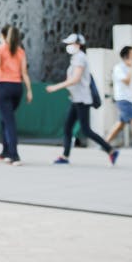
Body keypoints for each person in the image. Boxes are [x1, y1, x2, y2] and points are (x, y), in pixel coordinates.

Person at [47, 33, 119, 166]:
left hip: (81, 99)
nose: (68, 46)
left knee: (86, 130)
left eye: (70, 44)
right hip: (76, 99)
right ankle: (65, 156)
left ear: (78, 44)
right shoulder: (76, 58)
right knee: (68, 127)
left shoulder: (80, 58)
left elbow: (76, 79)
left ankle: (110, 150)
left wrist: (56, 87)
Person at [0, 25, 34, 165]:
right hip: (17, 88)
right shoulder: (21, 51)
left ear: (4, 36)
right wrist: (29, 90)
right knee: (5, 119)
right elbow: (24, 73)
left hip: (4, 87)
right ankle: (6, 151)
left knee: (9, 121)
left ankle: (14, 155)